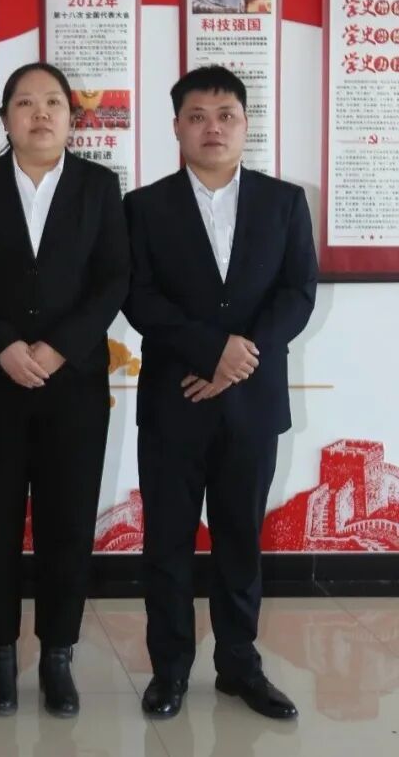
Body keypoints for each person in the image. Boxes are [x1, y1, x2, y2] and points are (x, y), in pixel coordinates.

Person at [123, 65, 317, 721]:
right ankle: (170, 669)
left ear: (245, 124)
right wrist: (211, 352)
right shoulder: (144, 207)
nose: (213, 127)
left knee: (239, 540)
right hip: (174, 399)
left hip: (251, 402)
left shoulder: (284, 202)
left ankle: (239, 665)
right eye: (198, 116)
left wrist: (239, 358)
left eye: (226, 115)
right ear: (176, 127)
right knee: (167, 543)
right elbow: (138, 296)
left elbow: (298, 291)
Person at [0, 63, 129, 717]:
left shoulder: (99, 187)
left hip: (72, 384)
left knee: (67, 522)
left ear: (72, 118)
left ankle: (57, 654)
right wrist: (3, 345)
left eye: (53, 102)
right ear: (4, 118)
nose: (40, 114)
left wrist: (57, 348)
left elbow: (112, 279)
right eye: (25, 103)